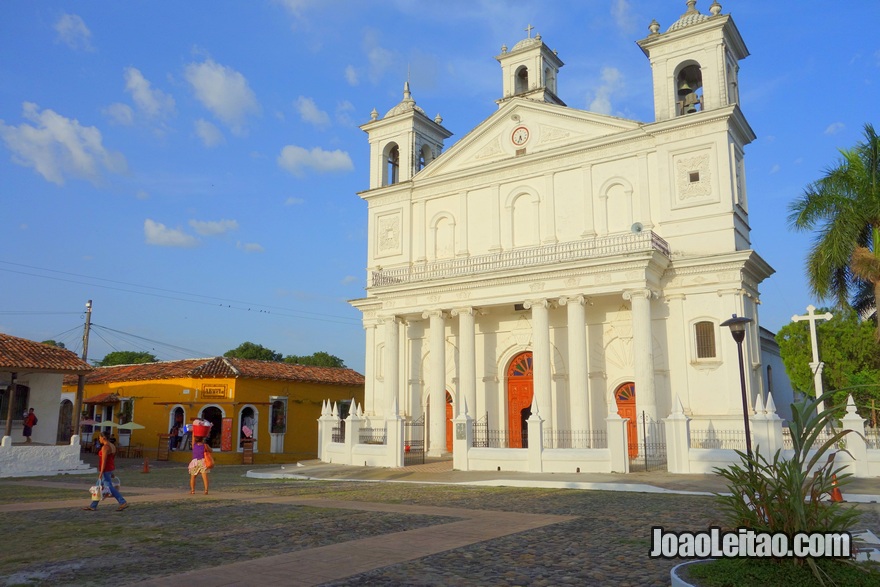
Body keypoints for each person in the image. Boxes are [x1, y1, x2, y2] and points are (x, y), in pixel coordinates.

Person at [83, 431, 129, 512]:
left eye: (99, 437)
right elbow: (112, 459)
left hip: (105, 469)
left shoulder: (105, 447)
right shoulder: (112, 446)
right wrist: (111, 471)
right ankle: (93, 505)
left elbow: (104, 461)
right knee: (98, 487)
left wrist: (101, 472)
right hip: (109, 468)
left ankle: (122, 502)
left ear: (103, 438)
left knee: (109, 487)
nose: (99, 439)